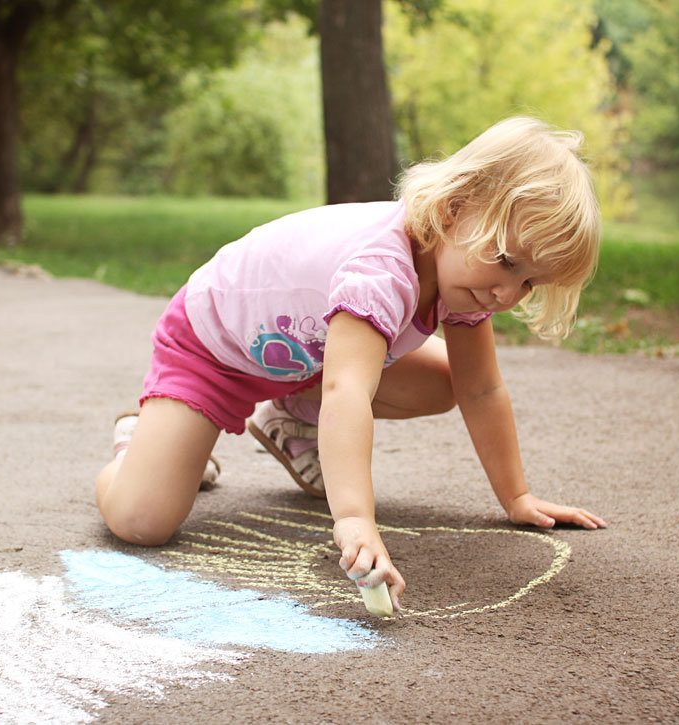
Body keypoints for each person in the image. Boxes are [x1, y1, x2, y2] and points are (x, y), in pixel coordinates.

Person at [95, 116, 607, 613]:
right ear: (455, 207)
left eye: (529, 283)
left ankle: (291, 414)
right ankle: (136, 444)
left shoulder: (466, 279)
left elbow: (481, 391)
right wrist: (356, 520)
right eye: (506, 261)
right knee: (141, 521)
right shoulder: (381, 272)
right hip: (212, 349)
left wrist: (516, 496)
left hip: (306, 355)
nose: (507, 293)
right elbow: (348, 392)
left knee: (442, 384)